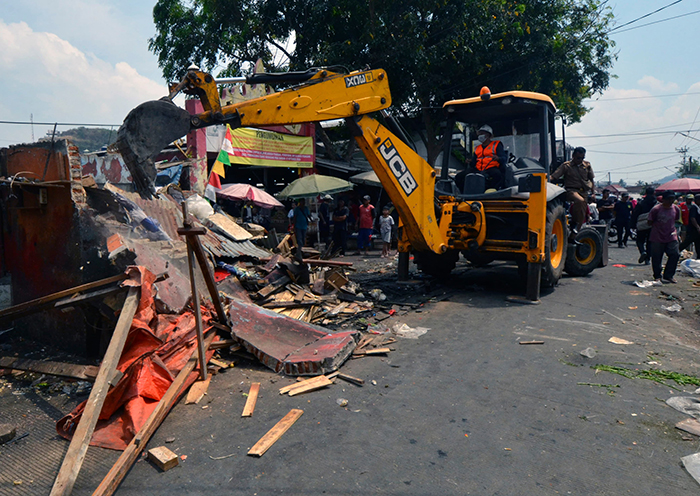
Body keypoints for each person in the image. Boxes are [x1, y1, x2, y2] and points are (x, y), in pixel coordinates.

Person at [550, 147, 594, 233]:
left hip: (584, 192)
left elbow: (592, 180)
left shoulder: (587, 165)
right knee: (579, 201)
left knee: (582, 217)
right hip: (572, 191)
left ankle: (573, 236)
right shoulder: (566, 166)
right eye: (578, 158)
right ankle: (573, 222)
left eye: (582, 158)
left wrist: (593, 193)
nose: (580, 160)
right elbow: (554, 176)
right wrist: (545, 178)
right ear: (573, 156)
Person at [648, 190, 681, 283]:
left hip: (671, 235)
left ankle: (668, 275)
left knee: (675, 254)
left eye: (672, 199)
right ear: (663, 200)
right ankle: (657, 275)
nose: (670, 201)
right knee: (657, 257)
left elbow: (676, 219)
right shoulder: (656, 209)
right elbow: (649, 221)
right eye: (668, 199)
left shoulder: (676, 208)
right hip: (657, 236)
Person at [470, 124, 507, 191]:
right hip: (478, 170)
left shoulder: (496, 145)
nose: (480, 135)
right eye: (479, 133)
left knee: (497, 175)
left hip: (491, 168)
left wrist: (498, 158)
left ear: (488, 135)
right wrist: (470, 161)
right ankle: (462, 193)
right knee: (461, 176)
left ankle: (492, 191)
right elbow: (473, 163)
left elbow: (504, 158)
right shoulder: (477, 148)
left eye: (482, 133)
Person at [631, 187, 657, 264]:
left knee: (640, 241)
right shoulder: (656, 203)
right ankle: (647, 259)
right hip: (653, 224)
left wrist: (633, 224)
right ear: (653, 193)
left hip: (642, 224)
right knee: (650, 242)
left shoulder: (641, 203)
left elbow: (635, 214)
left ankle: (642, 252)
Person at [679, 194, 700, 258]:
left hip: (696, 230)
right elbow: (692, 218)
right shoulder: (694, 207)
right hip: (692, 230)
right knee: (686, 243)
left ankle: (699, 258)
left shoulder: (697, 207)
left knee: (698, 245)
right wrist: (698, 227)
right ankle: (675, 252)